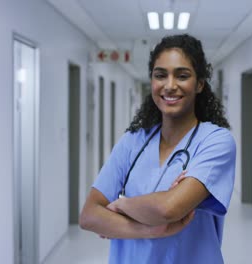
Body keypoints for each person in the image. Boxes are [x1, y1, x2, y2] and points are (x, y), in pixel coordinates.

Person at [79, 34, 236, 264]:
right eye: (160, 75)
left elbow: (168, 210)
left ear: (200, 84)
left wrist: (120, 205)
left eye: (182, 76)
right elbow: (89, 215)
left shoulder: (216, 141)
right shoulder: (133, 141)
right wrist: (150, 230)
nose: (170, 86)